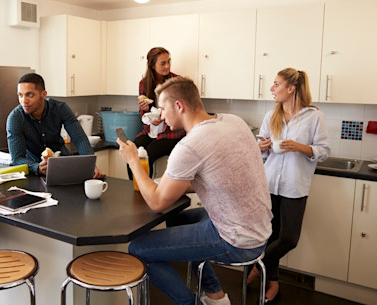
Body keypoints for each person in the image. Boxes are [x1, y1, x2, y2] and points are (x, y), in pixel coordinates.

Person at [117, 76, 272, 305]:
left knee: (138, 248)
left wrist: (132, 160)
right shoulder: (233, 121)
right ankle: (215, 295)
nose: (160, 116)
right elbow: (216, 177)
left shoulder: (191, 145)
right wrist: (169, 184)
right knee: (177, 219)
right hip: (258, 227)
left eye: (162, 108)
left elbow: (157, 202)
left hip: (236, 239)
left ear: (179, 106)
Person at [247, 68, 330, 304]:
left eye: (276, 84)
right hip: (269, 182)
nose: (272, 89)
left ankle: (257, 265)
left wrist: (301, 147)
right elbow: (261, 146)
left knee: (288, 238)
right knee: (270, 235)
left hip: (295, 186)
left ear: (290, 88)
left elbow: (323, 151)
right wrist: (260, 147)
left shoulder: (314, 117)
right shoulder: (271, 115)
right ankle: (272, 284)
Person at [7, 73, 105, 178]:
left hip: (63, 165)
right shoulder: (15, 118)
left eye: (30, 95)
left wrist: (90, 165)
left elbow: (80, 139)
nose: (24, 101)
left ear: (43, 94)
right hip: (34, 170)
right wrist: (37, 167)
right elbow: (17, 158)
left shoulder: (60, 108)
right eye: (20, 95)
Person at [128, 47, 185, 179]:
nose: (168, 66)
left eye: (169, 61)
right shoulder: (144, 84)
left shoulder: (177, 82)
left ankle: (148, 191)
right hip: (151, 130)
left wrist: (164, 117)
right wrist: (146, 112)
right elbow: (143, 114)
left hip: (172, 133)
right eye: (163, 63)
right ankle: (135, 188)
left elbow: (182, 110)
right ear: (152, 65)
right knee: (132, 150)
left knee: (148, 154)